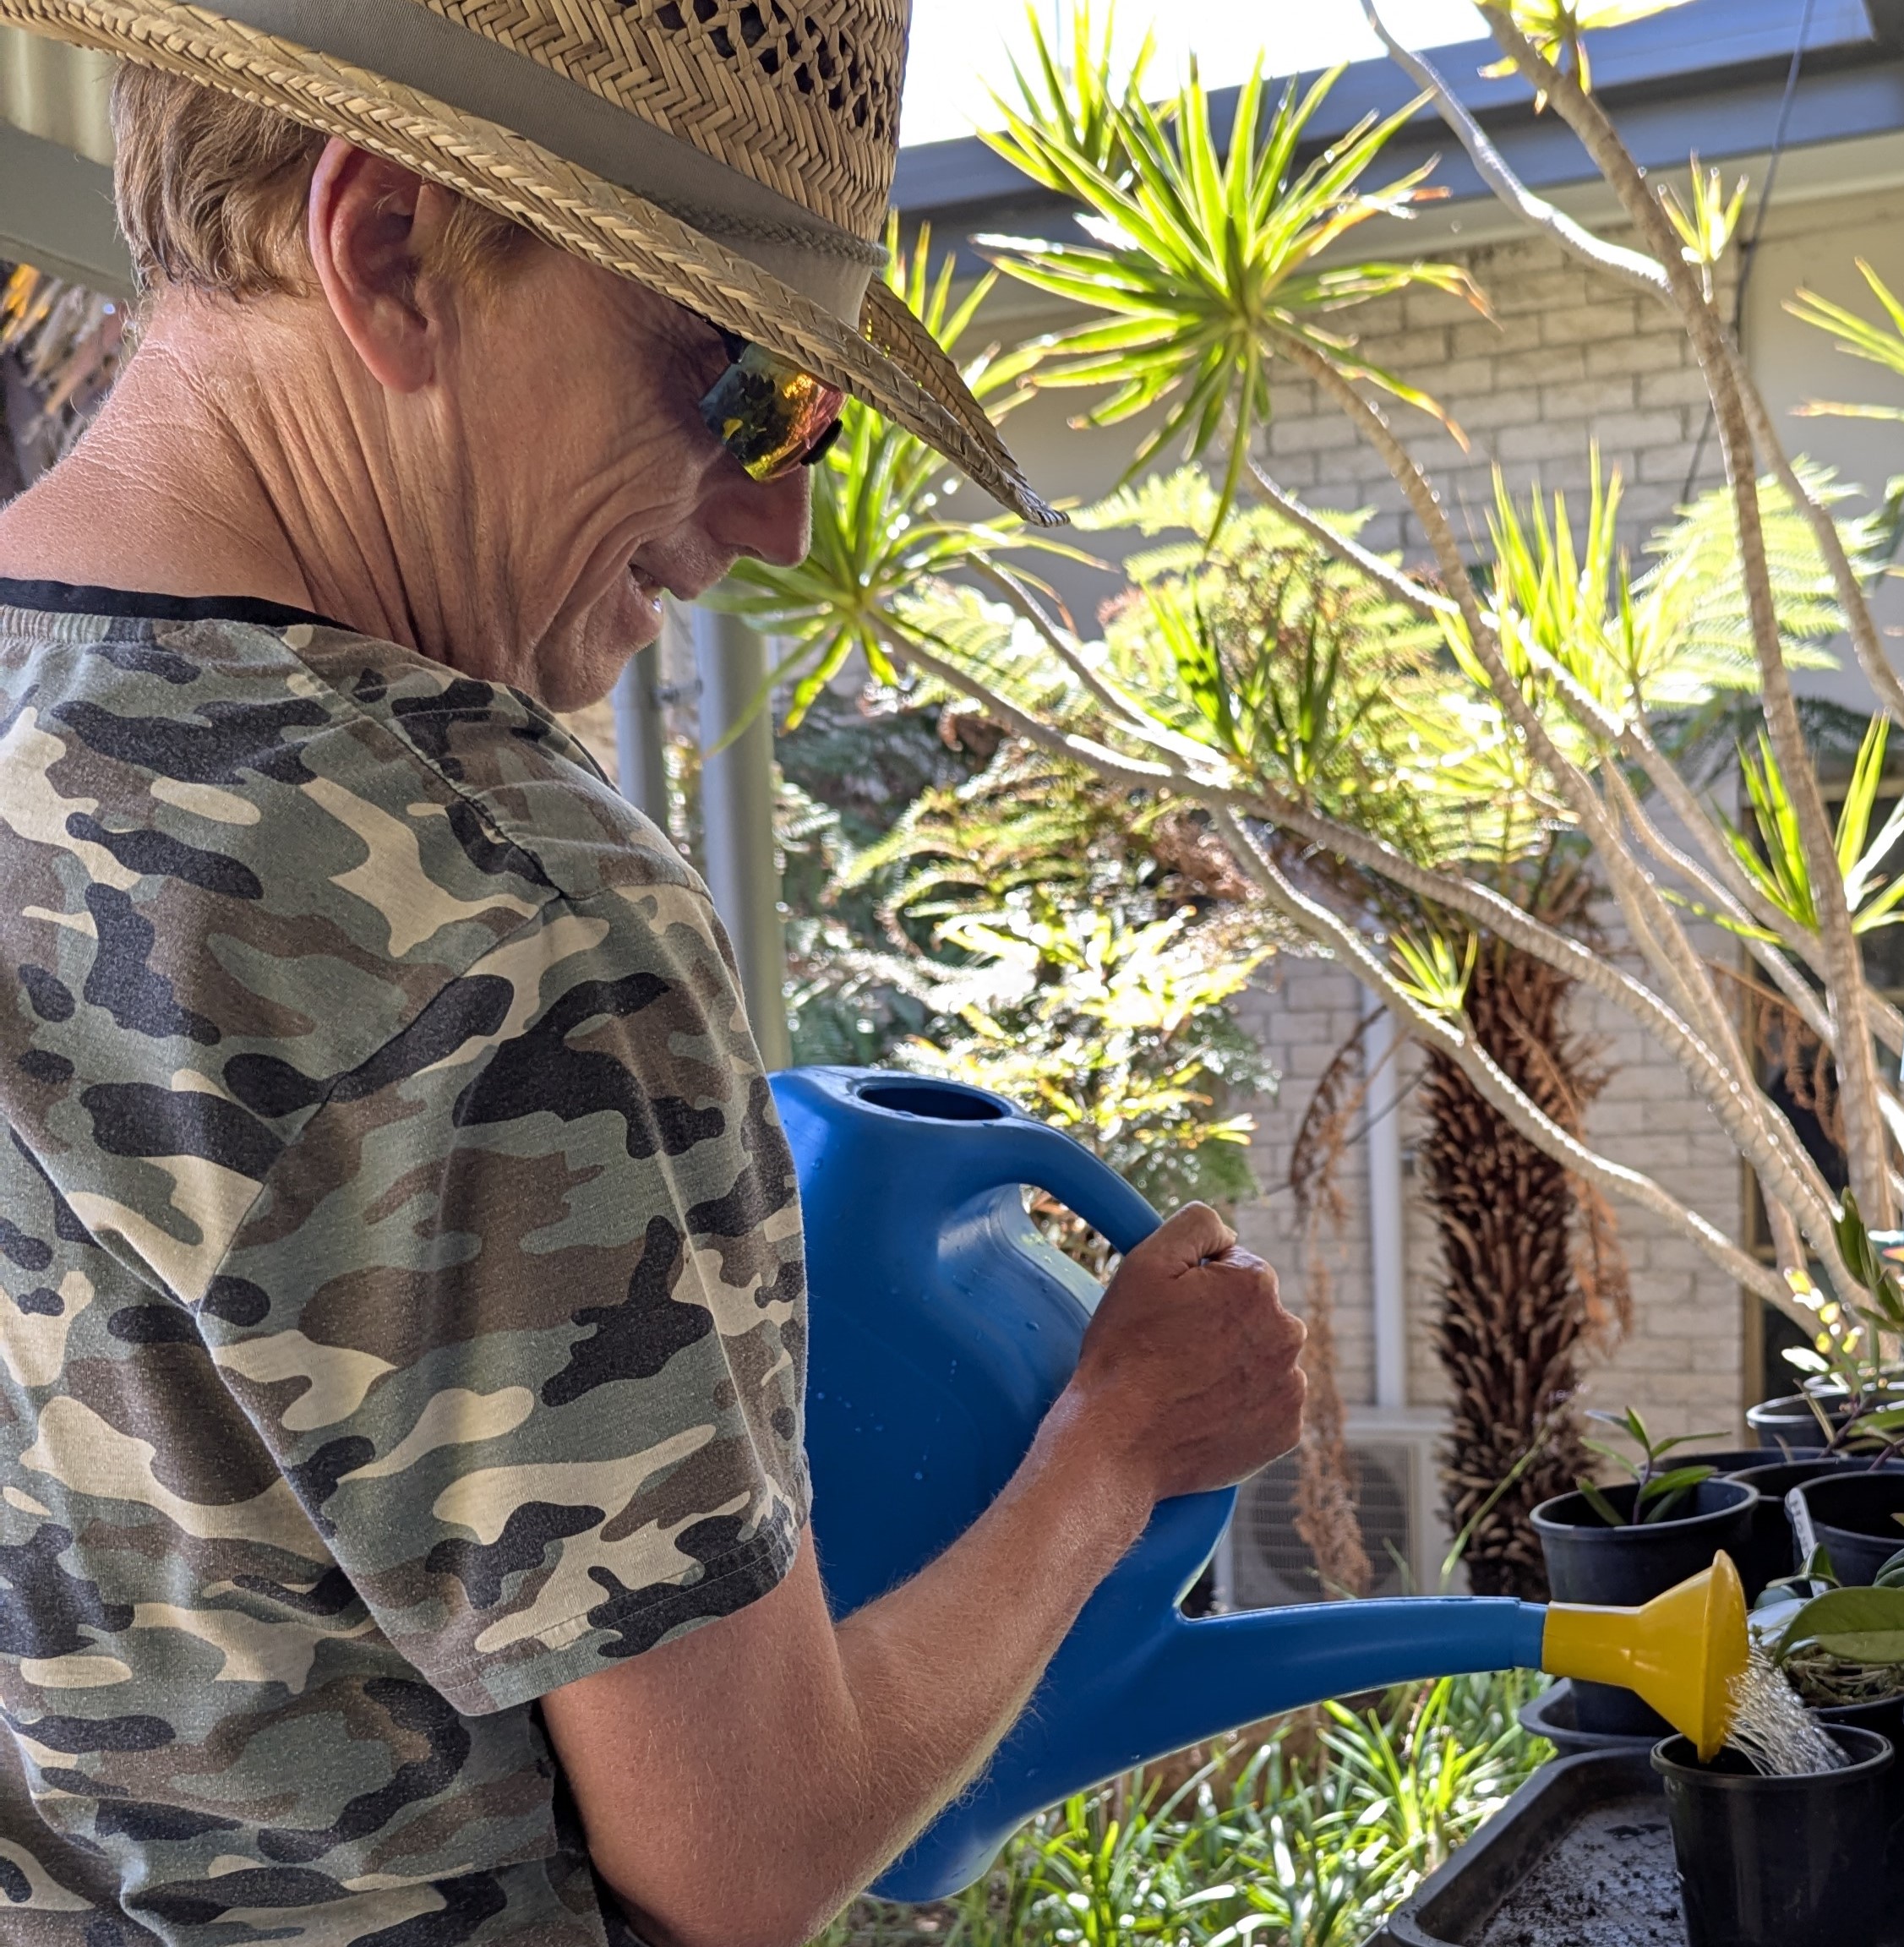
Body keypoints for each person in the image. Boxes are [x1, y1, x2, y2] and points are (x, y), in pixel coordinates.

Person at [0, 4, 1307, 1944]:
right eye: (745, 390)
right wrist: (1111, 1455)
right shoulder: (496, 904)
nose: (775, 520)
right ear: (389, 251)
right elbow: (742, 1855)